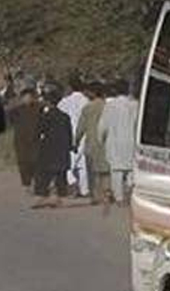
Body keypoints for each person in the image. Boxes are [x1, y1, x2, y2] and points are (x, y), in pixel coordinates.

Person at [31, 85, 73, 208]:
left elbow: (38, 132)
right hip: (62, 149)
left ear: (47, 102)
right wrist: (70, 146)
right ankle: (60, 197)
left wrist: (34, 143)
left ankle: (41, 197)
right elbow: (69, 133)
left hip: (48, 149)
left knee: (43, 174)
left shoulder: (45, 116)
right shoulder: (64, 116)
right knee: (60, 175)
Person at [99, 79, 138, 207]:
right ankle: (130, 192)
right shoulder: (135, 105)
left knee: (116, 171)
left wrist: (100, 139)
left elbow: (103, 125)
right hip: (131, 141)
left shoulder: (110, 105)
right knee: (131, 169)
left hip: (114, 141)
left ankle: (119, 198)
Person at [74, 82, 109, 205]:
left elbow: (81, 127)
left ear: (93, 93)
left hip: (91, 143)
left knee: (92, 172)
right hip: (106, 143)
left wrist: (76, 141)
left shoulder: (87, 108)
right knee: (105, 170)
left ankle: (95, 196)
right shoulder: (107, 107)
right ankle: (106, 194)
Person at [57, 78, 91, 198]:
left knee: (68, 163)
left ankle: (73, 183)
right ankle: (84, 190)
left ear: (70, 87)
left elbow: (58, 114)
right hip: (84, 135)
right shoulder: (86, 101)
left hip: (69, 134)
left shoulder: (64, 101)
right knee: (82, 164)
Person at [7, 86, 43, 191]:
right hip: (21, 140)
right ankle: (26, 183)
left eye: (30, 97)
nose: (27, 99)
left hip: (35, 139)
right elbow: (10, 120)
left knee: (36, 161)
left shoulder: (39, 109)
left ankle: (37, 182)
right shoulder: (16, 110)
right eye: (25, 97)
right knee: (23, 162)